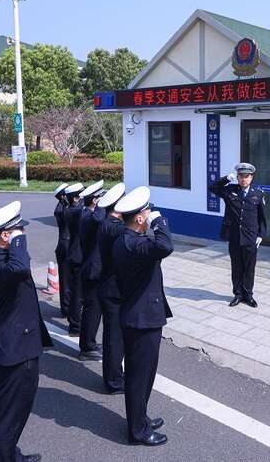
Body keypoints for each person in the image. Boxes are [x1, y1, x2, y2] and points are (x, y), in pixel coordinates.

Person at [0, 201, 52, 462]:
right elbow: (21, 267)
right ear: (6, 236)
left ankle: (10, 456)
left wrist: (15, 239)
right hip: (14, 353)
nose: (24, 236)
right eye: (19, 231)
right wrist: (18, 239)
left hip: (11, 346)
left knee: (7, 415)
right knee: (9, 418)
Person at [113, 186, 172, 447]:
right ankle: (137, 430)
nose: (149, 214)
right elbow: (165, 245)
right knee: (139, 376)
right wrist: (159, 222)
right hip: (141, 317)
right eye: (146, 211)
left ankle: (141, 417)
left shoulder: (127, 239)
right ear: (139, 218)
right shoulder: (134, 244)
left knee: (145, 374)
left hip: (140, 313)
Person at [209, 163, 267, 308]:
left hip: (250, 237)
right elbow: (213, 188)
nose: (243, 179)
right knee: (236, 267)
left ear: (251, 177)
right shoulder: (230, 191)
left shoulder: (258, 193)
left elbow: (262, 217)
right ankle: (238, 294)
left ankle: (248, 295)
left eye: (246, 176)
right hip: (234, 236)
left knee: (249, 267)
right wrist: (226, 179)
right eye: (240, 176)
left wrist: (260, 234)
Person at [96, 182, 127, 394]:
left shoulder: (107, 223)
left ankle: (114, 375)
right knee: (115, 338)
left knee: (113, 336)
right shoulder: (114, 227)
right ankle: (114, 380)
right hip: (113, 289)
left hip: (109, 286)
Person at [78, 180, 106, 361]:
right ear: (95, 201)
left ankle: (89, 343)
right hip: (93, 270)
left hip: (91, 267)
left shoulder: (86, 213)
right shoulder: (89, 217)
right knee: (92, 309)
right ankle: (87, 347)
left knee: (93, 308)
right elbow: (99, 218)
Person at [63, 182, 85, 335]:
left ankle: (75, 321)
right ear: (75, 199)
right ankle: (75, 325)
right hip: (77, 256)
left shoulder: (72, 208)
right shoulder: (74, 211)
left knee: (76, 292)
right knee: (77, 294)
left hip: (74, 254)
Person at [52, 183, 70, 317]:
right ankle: (66, 308)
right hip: (65, 247)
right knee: (66, 280)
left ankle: (68, 307)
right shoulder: (62, 209)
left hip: (67, 246)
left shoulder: (64, 206)